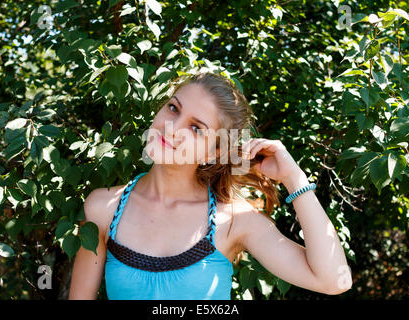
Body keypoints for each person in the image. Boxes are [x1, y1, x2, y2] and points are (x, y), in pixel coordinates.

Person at [68, 72, 352, 300]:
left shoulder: (235, 221)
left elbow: (332, 280)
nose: (172, 127)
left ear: (213, 153)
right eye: (173, 108)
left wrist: (294, 179)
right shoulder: (102, 208)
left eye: (196, 128)